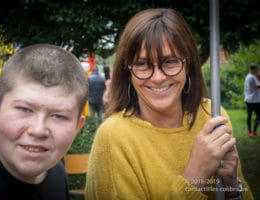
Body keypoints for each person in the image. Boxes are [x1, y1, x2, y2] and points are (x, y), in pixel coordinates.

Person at [85, 8, 253, 199]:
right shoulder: (113, 138)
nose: (157, 78)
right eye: (142, 64)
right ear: (128, 72)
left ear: (188, 64)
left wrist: (232, 186)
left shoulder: (213, 116)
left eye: (170, 61)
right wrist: (194, 176)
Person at [0, 44, 88, 200]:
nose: (38, 130)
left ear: (77, 126)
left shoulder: (56, 173)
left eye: (59, 116)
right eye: (24, 109)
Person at [244, 63, 260, 137]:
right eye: (256, 69)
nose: (257, 70)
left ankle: (250, 132)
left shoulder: (248, 76)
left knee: (249, 116)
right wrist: (258, 76)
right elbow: (258, 86)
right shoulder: (253, 77)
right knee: (259, 116)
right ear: (253, 69)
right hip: (255, 100)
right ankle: (253, 132)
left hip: (248, 99)